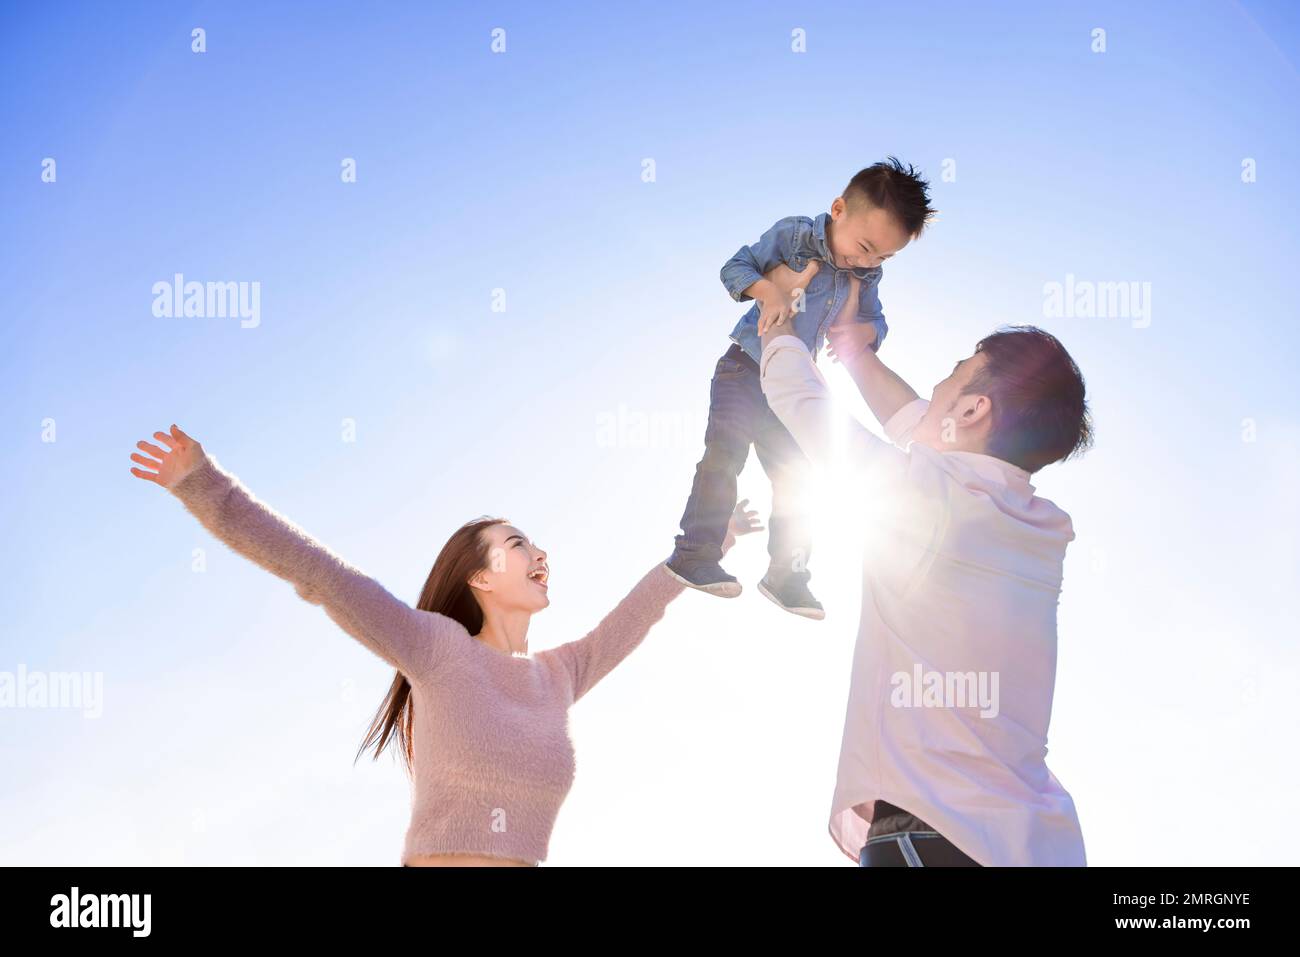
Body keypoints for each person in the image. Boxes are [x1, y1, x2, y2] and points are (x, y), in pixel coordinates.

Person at [128, 425, 760, 866]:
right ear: (478, 578)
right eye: (518, 546)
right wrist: (205, 487)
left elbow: (635, 614)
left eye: (537, 545)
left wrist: (708, 544)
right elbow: (320, 574)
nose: (541, 554)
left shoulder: (559, 675)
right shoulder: (435, 648)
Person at [757, 260, 1093, 866]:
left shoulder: (926, 496)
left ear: (972, 411)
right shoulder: (1038, 529)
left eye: (951, 377)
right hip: (1032, 845)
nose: (934, 390)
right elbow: (924, 426)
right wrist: (856, 353)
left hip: (930, 839)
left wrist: (778, 327)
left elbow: (804, 405)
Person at [666, 157, 936, 621]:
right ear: (838, 209)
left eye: (883, 258)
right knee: (723, 455)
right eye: (865, 247)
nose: (867, 262)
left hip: (790, 383)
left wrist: (867, 334)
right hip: (744, 368)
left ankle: (786, 577)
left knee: (799, 477)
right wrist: (768, 293)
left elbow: (874, 319)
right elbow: (736, 266)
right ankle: (694, 554)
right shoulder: (793, 237)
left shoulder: (867, 274)